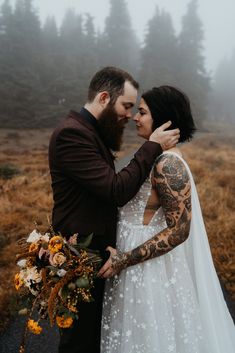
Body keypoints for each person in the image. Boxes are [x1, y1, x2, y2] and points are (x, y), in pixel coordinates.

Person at [48, 68, 180, 353]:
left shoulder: (90, 132)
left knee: (93, 337)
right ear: (105, 97)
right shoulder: (73, 134)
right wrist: (153, 146)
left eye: (136, 109)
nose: (130, 115)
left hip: (97, 257)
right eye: (127, 106)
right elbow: (115, 190)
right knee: (79, 342)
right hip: (78, 255)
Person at [100, 85, 235, 353]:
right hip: (130, 264)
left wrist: (124, 259)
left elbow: (179, 230)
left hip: (147, 269)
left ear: (163, 120)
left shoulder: (168, 164)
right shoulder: (154, 156)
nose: (136, 118)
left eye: (142, 112)